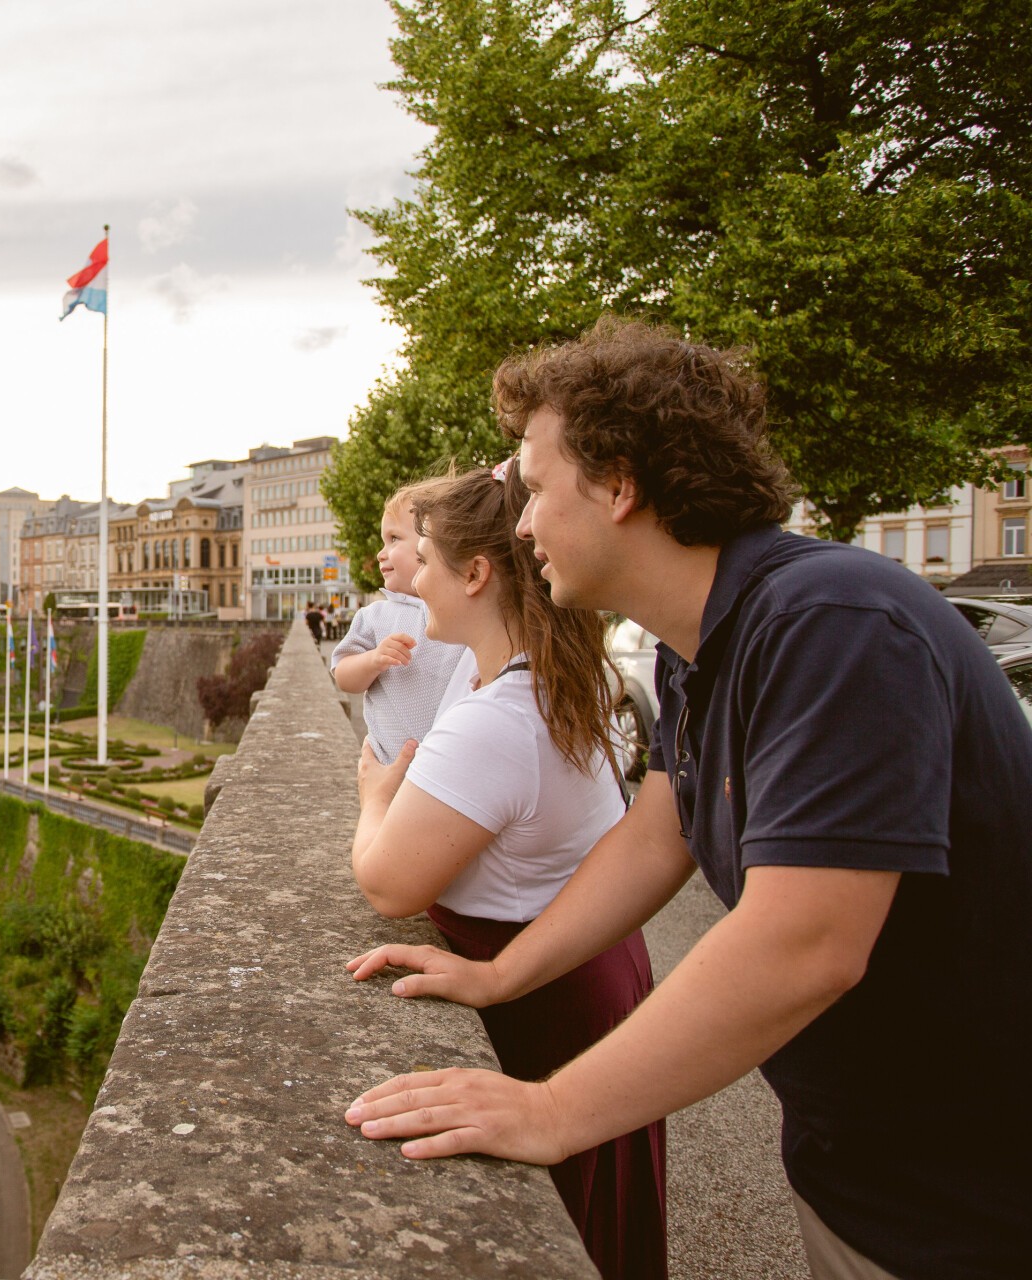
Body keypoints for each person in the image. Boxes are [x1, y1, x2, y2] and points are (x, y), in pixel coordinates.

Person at [342, 318, 1032, 1280]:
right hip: (867, 1166)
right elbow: (655, 834)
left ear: (620, 484)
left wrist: (550, 1110)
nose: (525, 521)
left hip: (972, 1193)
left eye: (537, 489)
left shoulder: (831, 623)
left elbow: (806, 942)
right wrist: (503, 978)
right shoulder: (703, 643)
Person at [347, 461, 663, 1280]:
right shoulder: (555, 676)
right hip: (588, 961)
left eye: (424, 557)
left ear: (477, 574)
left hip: (545, 991)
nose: (410, 575)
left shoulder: (494, 720)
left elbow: (387, 885)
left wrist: (373, 799)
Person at [330, 478, 467, 762]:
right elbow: (343, 674)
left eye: (394, 539)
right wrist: (373, 659)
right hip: (390, 764)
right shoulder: (376, 615)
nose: (381, 553)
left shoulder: (461, 609)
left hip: (450, 762)